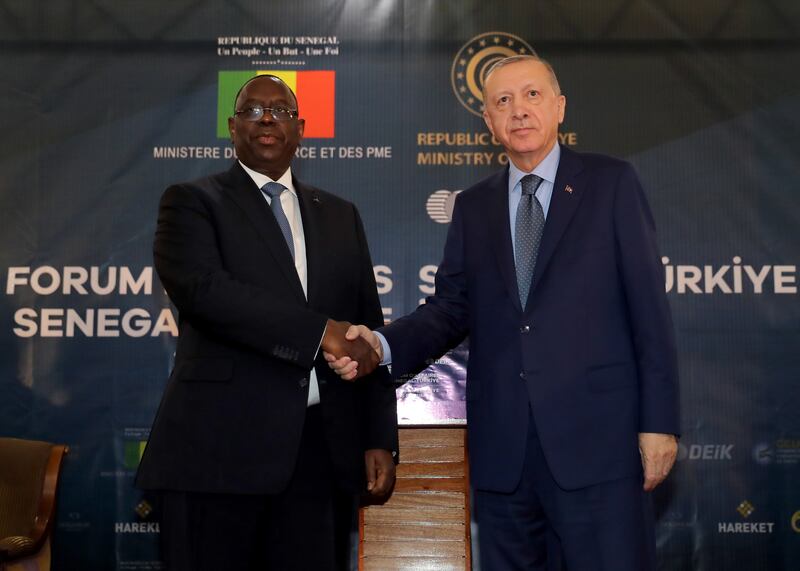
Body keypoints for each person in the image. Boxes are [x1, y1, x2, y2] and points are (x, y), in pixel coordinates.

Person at [327, 55, 679, 571]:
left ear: (559, 107)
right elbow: (450, 309)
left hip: (598, 445)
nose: (519, 111)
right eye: (502, 102)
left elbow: (649, 309)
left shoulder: (612, 184)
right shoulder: (473, 206)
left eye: (532, 95)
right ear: (488, 122)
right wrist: (379, 345)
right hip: (504, 455)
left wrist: (659, 423)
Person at [136, 74, 397, 571]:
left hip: (318, 453)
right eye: (253, 111)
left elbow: (368, 328)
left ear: (300, 129)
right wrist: (322, 332)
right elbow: (206, 292)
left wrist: (378, 436)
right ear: (233, 128)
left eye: (279, 110)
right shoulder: (192, 202)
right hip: (216, 451)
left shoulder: (341, 215)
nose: (267, 118)